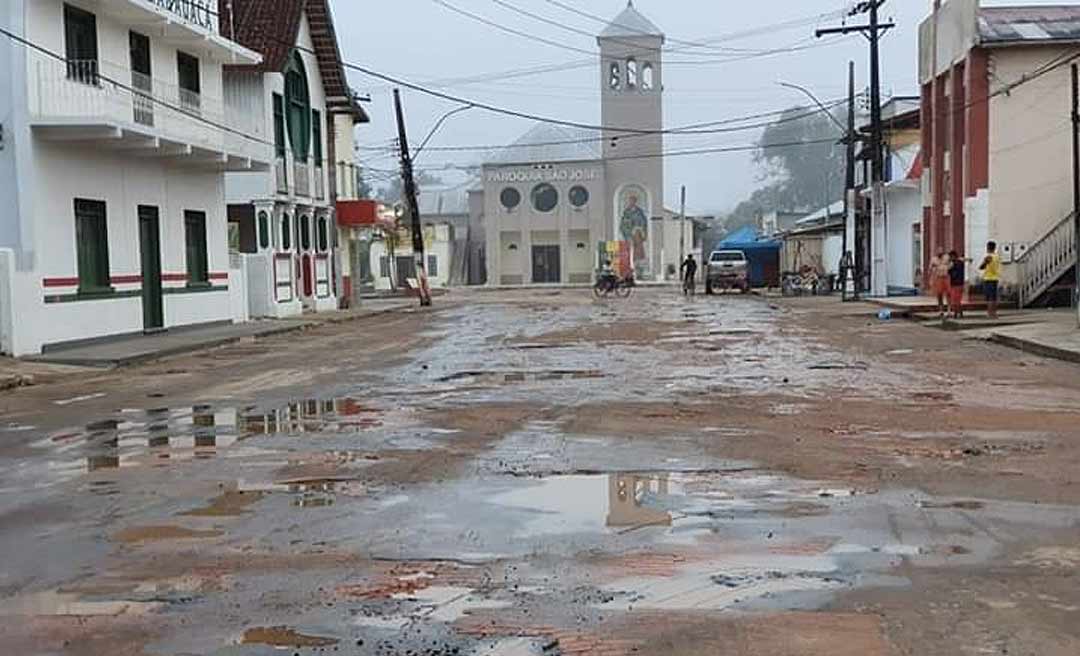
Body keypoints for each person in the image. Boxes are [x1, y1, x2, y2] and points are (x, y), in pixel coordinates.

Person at [979, 241, 1002, 319]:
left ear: (988, 247)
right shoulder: (997, 256)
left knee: (989, 297)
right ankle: (994, 313)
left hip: (989, 278)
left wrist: (984, 263)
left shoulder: (989, 257)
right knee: (994, 297)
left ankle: (990, 313)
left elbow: (981, 267)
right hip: (995, 278)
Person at [930, 250, 951, 317]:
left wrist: (947, 267)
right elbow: (931, 268)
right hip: (938, 277)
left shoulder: (947, 257)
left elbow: (951, 263)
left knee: (948, 294)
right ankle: (941, 310)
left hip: (946, 277)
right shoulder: (934, 259)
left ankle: (949, 310)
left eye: (941, 253)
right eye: (938, 253)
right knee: (939, 294)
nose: (940, 254)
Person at [947, 250, 967, 319]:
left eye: (950, 257)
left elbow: (951, 272)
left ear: (953, 256)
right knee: (955, 300)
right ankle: (958, 313)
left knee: (956, 300)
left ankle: (957, 314)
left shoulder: (955, 263)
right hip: (957, 283)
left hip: (957, 283)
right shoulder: (959, 262)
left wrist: (950, 268)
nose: (950, 258)